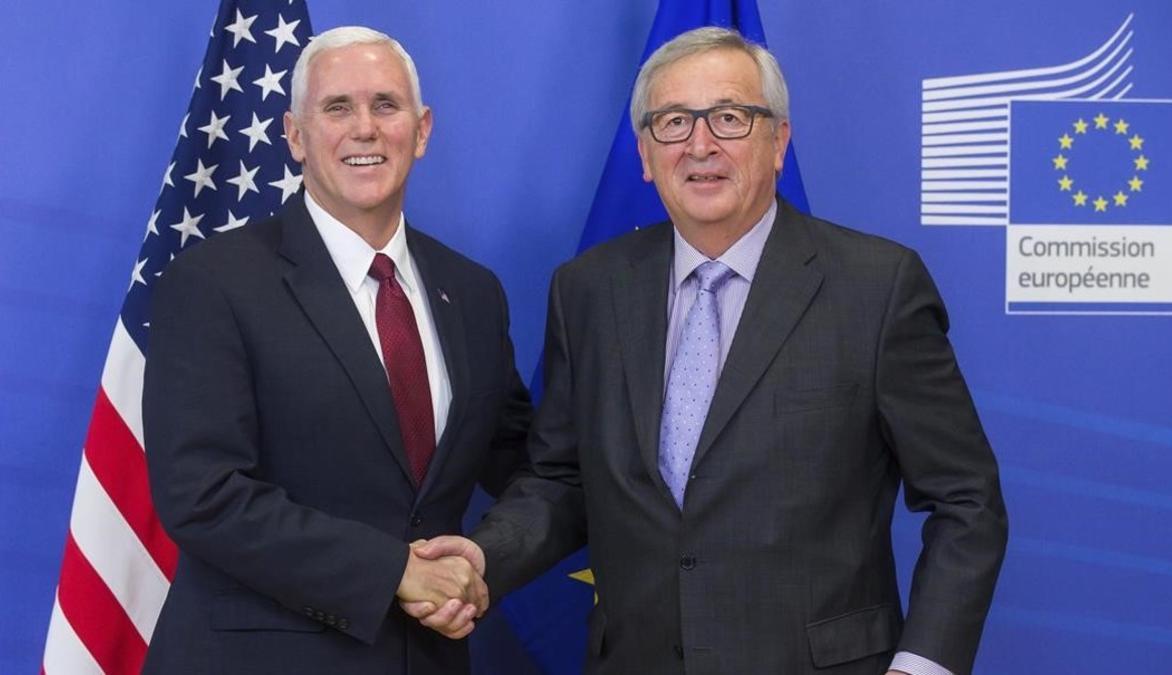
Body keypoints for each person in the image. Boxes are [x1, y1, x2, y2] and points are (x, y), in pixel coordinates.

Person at [413, 26, 1007, 675]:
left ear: (778, 141)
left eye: (729, 117)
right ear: (644, 153)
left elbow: (967, 501)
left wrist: (923, 666)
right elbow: (564, 477)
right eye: (673, 122)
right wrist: (486, 557)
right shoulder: (587, 289)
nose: (700, 144)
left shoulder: (876, 287)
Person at [142, 26, 530, 674]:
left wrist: (482, 557)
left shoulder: (471, 292)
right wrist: (393, 571)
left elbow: (523, 460)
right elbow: (202, 492)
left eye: (385, 105)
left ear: (423, 128)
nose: (365, 129)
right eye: (337, 108)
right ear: (295, 135)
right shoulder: (213, 282)